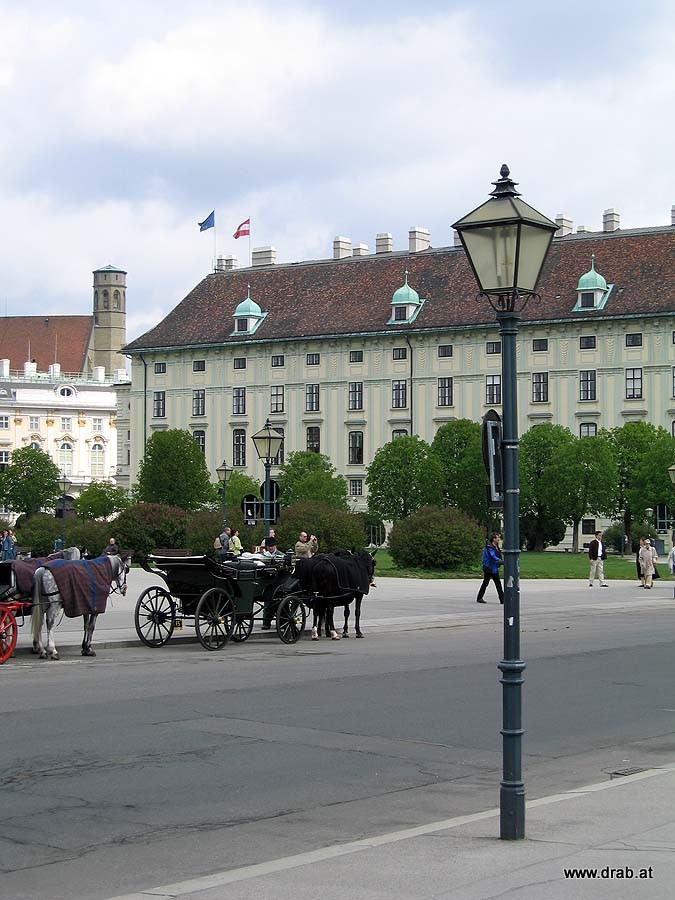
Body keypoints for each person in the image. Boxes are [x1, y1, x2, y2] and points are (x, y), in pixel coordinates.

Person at [476, 533, 504, 604]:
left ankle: (479, 598)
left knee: (486, 583)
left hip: (493, 568)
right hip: (490, 568)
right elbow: (493, 556)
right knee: (496, 584)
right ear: (493, 539)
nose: (498, 539)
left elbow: (498, 555)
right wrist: (501, 561)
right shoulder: (489, 547)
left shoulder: (496, 546)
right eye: (497, 537)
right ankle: (502, 600)